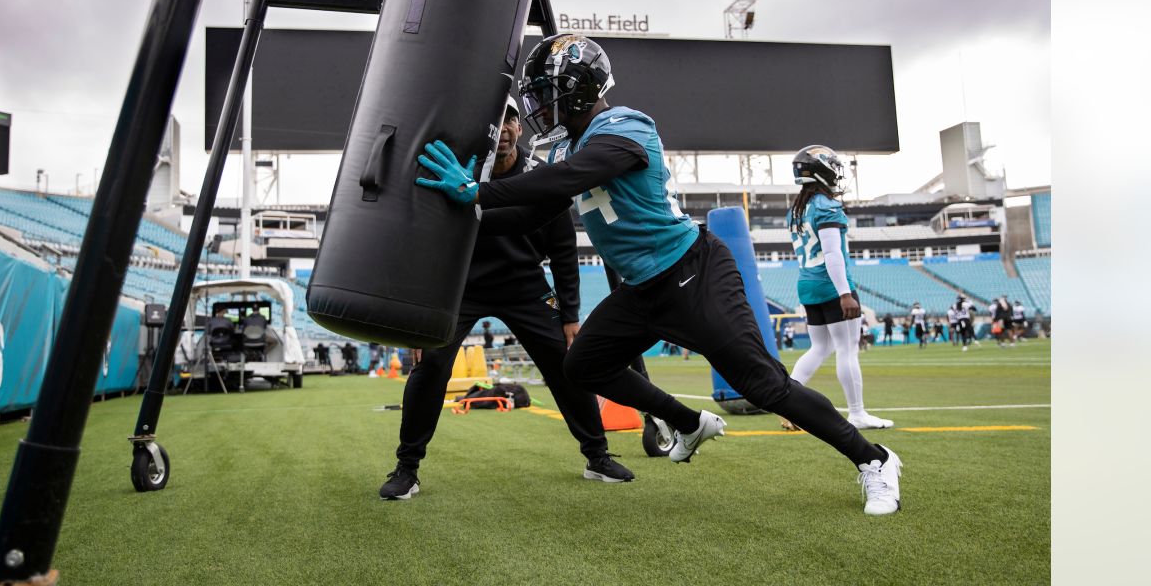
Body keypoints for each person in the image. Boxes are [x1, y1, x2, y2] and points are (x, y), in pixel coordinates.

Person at [415, 34, 901, 515]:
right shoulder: (568, 148)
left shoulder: (627, 126)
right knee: (583, 365)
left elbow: (570, 177)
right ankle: (687, 422)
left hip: (693, 274)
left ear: (579, 88)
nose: (540, 104)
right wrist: (466, 213)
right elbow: (532, 212)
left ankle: (874, 459)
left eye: (547, 91)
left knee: (764, 386)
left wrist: (478, 193)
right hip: (643, 289)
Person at [380, 97, 633, 501]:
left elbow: (565, 249)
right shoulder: (455, 174)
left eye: (512, 119)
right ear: (486, 130)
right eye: (497, 121)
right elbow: (424, 243)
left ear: (519, 128)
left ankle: (597, 456)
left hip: (525, 286)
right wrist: (418, 317)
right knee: (429, 369)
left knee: (568, 365)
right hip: (460, 287)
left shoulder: (542, 177)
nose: (505, 128)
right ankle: (407, 468)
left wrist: (570, 314)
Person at [784, 145, 892, 430]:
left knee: (820, 348)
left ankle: (787, 403)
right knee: (847, 349)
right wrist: (845, 292)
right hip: (830, 285)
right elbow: (832, 254)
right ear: (822, 171)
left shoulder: (797, 210)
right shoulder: (826, 206)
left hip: (807, 284)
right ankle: (857, 413)